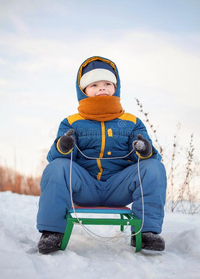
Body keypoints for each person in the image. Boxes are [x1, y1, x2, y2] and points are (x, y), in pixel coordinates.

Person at [37, 56, 167, 254]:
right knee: (56, 167)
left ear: (116, 87)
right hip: (85, 186)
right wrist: (63, 146)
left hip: (119, 187)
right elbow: (55, 160)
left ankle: (146, 231)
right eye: (95, 84)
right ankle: (52, 232)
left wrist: (145, 151)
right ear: (83, 90)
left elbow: (149, 162)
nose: (102, 88)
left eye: (107, 83)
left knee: (154, 168)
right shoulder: (72, 122)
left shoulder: (131, 121)